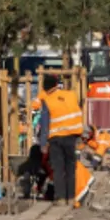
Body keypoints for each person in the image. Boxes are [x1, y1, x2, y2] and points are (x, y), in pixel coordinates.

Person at [34, 72, 85, 205]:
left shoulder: (48, 101)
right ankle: (71, 197)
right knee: (70, 168)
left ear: (45, 88)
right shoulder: (71, 95)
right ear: (56, 85)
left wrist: (43, 144)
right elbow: (77, 113)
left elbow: (45, 123)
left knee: (58, 169)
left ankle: (60, 198)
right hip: (72, 136)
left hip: (56, 139)